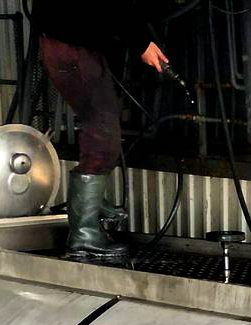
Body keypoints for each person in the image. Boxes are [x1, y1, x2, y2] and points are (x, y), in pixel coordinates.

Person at [31, 0, 169, 263]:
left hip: (64, 41)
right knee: (103, 134)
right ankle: (84, 234)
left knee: (97, 127)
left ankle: (91, 207)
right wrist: (142, 42)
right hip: (73, 45)